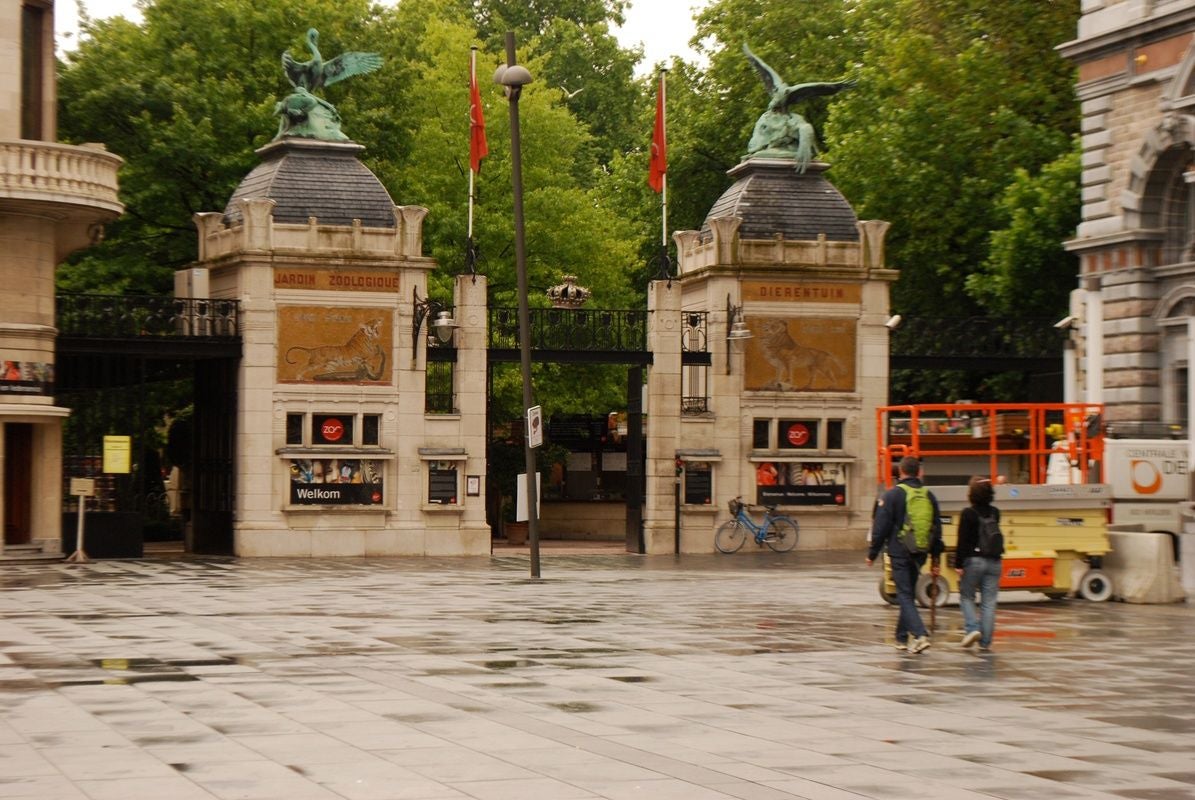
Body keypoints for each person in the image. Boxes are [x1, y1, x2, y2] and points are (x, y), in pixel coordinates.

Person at [866, 456, 944, 653]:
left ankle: (919, 634)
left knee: (904, 595)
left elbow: (880, 527)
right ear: (919, 472)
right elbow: (937, 528)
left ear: (900, 472)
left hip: (899, 551)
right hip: (920, 551)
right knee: (907, 592)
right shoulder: (929, 495)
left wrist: (872, 553)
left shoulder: (893, 495)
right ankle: (901, 638)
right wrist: (935, 558)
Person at [953, 475, 1003, 652]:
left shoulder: (968, 513)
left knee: (967, 596)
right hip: (995, 562)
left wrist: (958, 564)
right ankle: (985, 642)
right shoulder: (995, 512)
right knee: (989, 602)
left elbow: (962, 541)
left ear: (971, 494)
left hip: (974, 561)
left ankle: (972, 629)